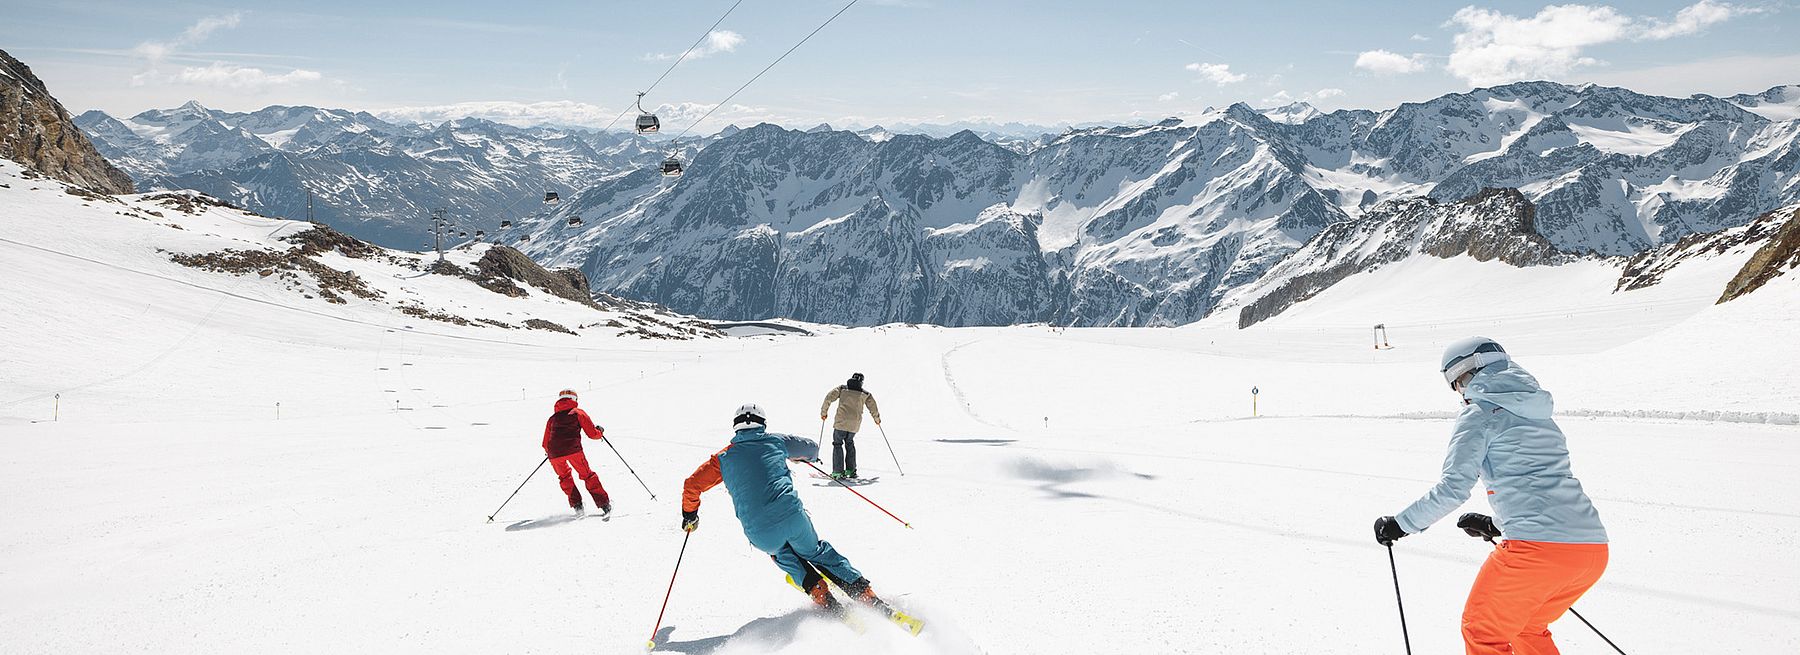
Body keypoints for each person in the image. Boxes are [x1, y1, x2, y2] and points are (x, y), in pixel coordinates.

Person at [1373, 337, 1608, 655]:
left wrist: (1400, 525)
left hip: (1537, 549)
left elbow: (1453, 488)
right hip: (1590, 550)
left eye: (1455, 384)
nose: (1459, 394)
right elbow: (1540, 484)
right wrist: (1496, 525)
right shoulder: (1539, 414)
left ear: (1465, 375)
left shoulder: (1479, 414)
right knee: (1527, 628)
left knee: (1481, 631)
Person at [680, 403, 899, 617]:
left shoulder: (723, 459)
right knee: (816, 552)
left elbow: (691, 485)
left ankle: (820, 594)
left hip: (760, 533)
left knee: (782, 554)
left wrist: (690, 515)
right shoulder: (776, 441)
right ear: (762, 424)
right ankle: (864, 593)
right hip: (793, 520)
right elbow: (812, 448)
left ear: (736, 427)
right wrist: (797, 456)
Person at [542, 389, 611, 517]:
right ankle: (604, 504)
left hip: (554, 454)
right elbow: (592, 434)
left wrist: (549, 452)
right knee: (587, 475)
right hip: (573, 450)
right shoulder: (578, 412)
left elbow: (545, 442)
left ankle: (577, 506)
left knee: (565, 478)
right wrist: (600, 432)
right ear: (574, 399)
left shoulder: (552, 419)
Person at [819, 373, 881, 479]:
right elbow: (873, 407)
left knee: (838, 444)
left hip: (841, 422)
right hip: (854, 424)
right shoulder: (865, 394)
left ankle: (838, 472)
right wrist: (877, 419)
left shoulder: (842, 388)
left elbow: (829, 397)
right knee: (849, 443)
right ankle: (851, 470)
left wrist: (824, 413)